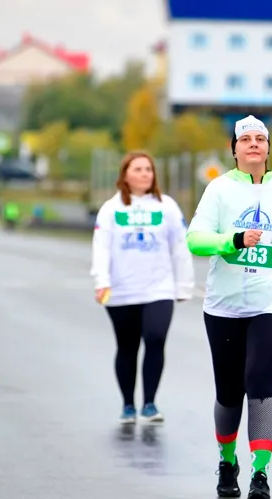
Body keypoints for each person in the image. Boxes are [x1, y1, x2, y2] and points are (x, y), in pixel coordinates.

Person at [186, 115, 272, 499]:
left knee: (260, 382)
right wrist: (232, 240)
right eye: (246, 140)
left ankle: (260, 473)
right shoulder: (219, 189)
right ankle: (227, 462)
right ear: (235, 149)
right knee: (228, 392)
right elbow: (196, 240)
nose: (254, 144)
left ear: (269, 148)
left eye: (261, 139)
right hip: (225, 305)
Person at [90, 151, 195, 425]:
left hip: (158, 289)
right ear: (125, 174)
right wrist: (102, 281)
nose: (144, 174)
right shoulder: (112, 209)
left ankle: (149, 402)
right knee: (127, 347)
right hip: (122, 291)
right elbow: (101, 249)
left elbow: (180, 248)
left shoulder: (167, 207)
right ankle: (128, 404)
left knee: (156, 338)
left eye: (148, 169)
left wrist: (183, 285)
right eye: (138, 169)